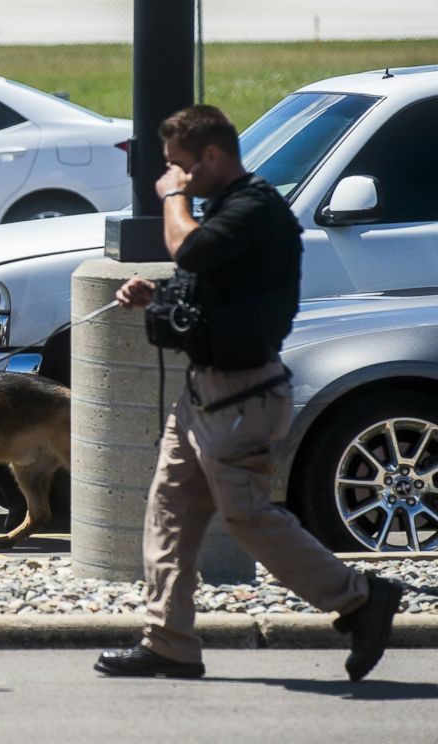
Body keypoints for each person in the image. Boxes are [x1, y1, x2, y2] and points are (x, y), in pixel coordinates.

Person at [95, 105, 402, 682]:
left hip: (243, 396)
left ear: (212, 157)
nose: (173, 177)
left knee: (248, 518)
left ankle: (361, 599)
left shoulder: (257, 209)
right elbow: (204, 292)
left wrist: (171, 198)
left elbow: (190, 250)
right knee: (169, 512)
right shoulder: (226, 213)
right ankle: (169, 642)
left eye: (180, 167)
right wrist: (154, 300)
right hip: (200, 397)